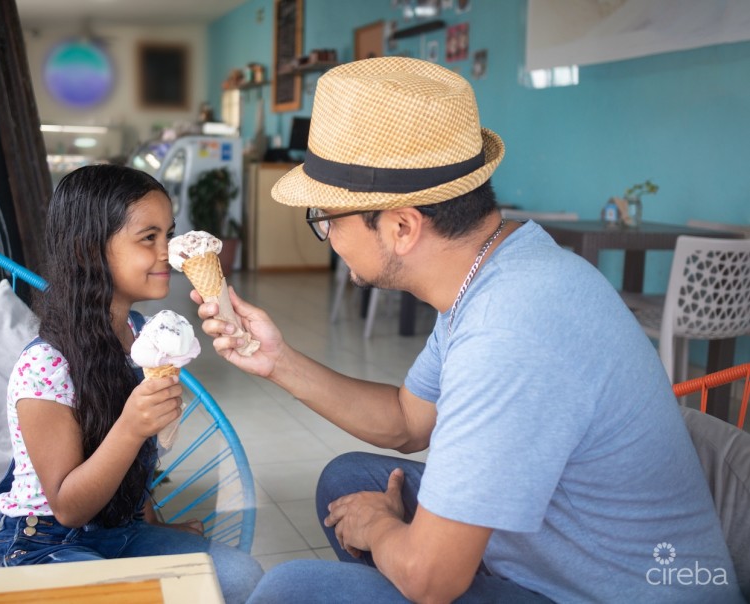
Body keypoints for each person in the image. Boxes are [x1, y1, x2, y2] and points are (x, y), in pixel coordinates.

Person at [192, 58, 740, 603]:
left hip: (605, 591)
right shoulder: (500, 264)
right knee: (348, 482)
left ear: (402, 226)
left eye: (327, 218)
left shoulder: (507, 330)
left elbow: (432, 580)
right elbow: (408, 421)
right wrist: (278, 361)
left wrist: (380, 528)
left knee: (291, 590)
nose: (328, 235)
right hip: (548, 542)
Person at [0, 164, 263, 603]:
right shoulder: (45, 367)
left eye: (168, 234)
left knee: (243, 576)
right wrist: (132, 426)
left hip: (125, 530)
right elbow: (68, 506)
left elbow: (133, 464)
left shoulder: (146, 336)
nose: (167, 251)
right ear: (88, 250)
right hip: (47, 543)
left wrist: (154, 524)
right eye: (148, 237)